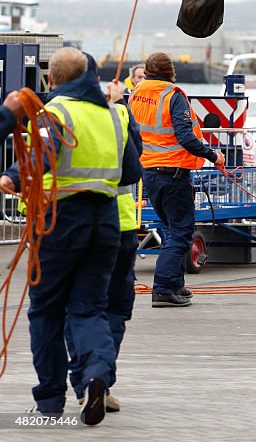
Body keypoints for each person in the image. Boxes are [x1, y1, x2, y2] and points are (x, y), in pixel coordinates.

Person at [0, 47, 141, 425]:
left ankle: (49, 400)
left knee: (46, 311)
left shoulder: (57, 113)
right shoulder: (113, 115)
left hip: (61, 220)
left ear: (52, 80)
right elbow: (130, 172)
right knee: (90, 309)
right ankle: (96, 374)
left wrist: (11, 178)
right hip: (107, 222)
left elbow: (41, 156)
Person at [65, 76, 141, 414]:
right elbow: (133, 171)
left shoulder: (59, 113)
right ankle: (101, 379)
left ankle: (85, 381)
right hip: (120, 226)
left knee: (79, 309)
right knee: (115, 310)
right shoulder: (120, 115)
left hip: (71, 227)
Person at [129, 51, 225, 308]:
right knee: (181, 232)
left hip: (149, 172)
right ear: (171, 72)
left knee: (171, 229)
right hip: (172, 173)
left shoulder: (136, 94)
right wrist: (213, 155)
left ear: (147, 72)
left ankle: (175, 285)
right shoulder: (172, 95)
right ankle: (162, 288)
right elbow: (186, 137)